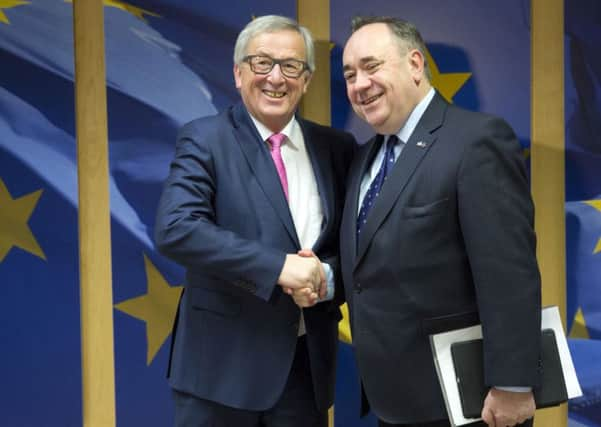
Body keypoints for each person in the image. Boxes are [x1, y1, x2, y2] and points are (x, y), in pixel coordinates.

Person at [338, 16, 542, 427]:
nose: (359, 84)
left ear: (415, 64)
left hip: (473, 405)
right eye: (349, 74)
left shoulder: (476, 140)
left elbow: (509, 271)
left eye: (372, 66)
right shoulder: (363, 159)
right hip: (394, 402)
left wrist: (513, 384)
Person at [154, 15, 355, 427]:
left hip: (305, 374)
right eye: (262, 63)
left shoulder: (336, 147)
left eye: (291, 66)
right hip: (219, 372)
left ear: (308, 77)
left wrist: (325, 278)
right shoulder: (205, 138)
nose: (276, 78)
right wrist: (279, 267)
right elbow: (177, 228)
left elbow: (356, 244)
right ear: (238, 72)